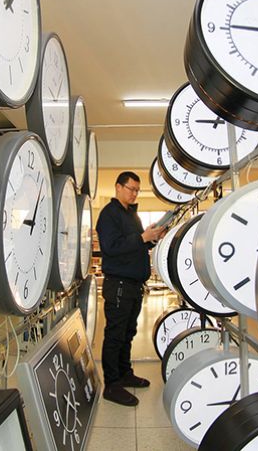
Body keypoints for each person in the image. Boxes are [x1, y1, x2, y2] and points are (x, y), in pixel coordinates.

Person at [95, 171, 165, 406]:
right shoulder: (109, 214)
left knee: (128, 333)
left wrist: (152, 237)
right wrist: (142, 237)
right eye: (130, 188)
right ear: (118, 187)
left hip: (134, 286)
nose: (134, 193)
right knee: (115, 335)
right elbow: (111, 247)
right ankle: (112, 385)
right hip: (119, 285)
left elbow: (136, 244)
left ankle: (125, 373)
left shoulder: (131, 215)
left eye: (137, 190)